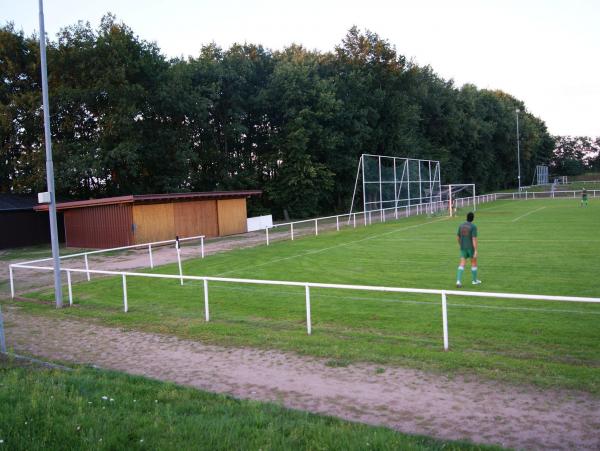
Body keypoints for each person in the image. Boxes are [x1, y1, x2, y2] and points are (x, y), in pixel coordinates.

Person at [456, 211, 481, 288]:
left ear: (466, 217)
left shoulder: (461, 225)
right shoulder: (473, 227)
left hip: (463, 247)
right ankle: (474, 280)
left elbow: (457, 237)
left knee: (462, 263)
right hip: (471, 248)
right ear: (473, 218)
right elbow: (474, 239)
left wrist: (461, 244)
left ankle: (458, 281)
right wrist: (476, 250)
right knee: (473, 263)